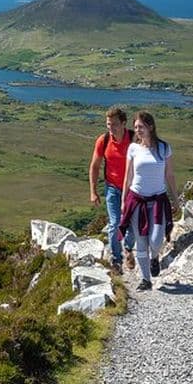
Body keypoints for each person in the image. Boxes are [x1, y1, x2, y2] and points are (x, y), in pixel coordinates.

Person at [119, 111, 178, 291]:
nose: (138, 131)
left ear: (151, 127)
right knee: (141, 241)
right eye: (136, 127)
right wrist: (123, 200)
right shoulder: (133, 149)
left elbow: (169, 174)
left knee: (156, 239)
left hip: (158, 200)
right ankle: (145, 279)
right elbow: (128, 176)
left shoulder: (163, 148)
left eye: (141, 127)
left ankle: (155, 257)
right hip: (137, 200)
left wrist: (175, 198)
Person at [89, 107, 136, 274]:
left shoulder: (134, 139)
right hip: (113, 188)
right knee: (115, 223)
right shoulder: (104, 140)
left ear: (124, 123)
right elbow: (94, 166)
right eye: (109, 124)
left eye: (114, 124)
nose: (111, 128)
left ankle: (129, 248)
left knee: (133, 224)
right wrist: (93, 191)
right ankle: (116, 259)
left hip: (133, 189)